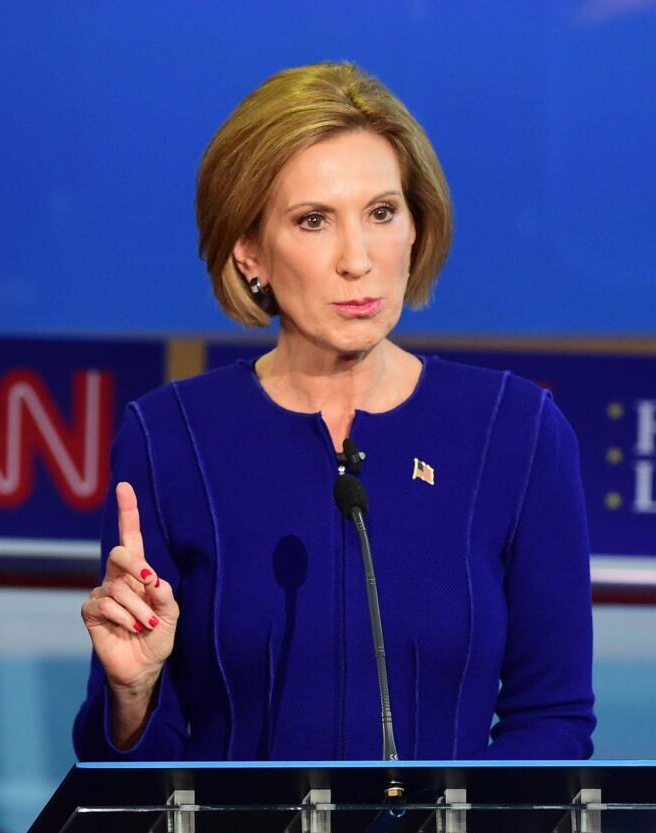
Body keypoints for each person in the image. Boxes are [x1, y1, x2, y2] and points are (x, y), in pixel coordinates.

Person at [73, 62, 595, 762]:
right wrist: (133, 698)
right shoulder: (170, 439)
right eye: (314, 221)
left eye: (382, 213)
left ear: (416, 227)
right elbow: (133, 773)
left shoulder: (518, 431)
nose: (358, 259)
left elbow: (553, 720)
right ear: (249, 251)